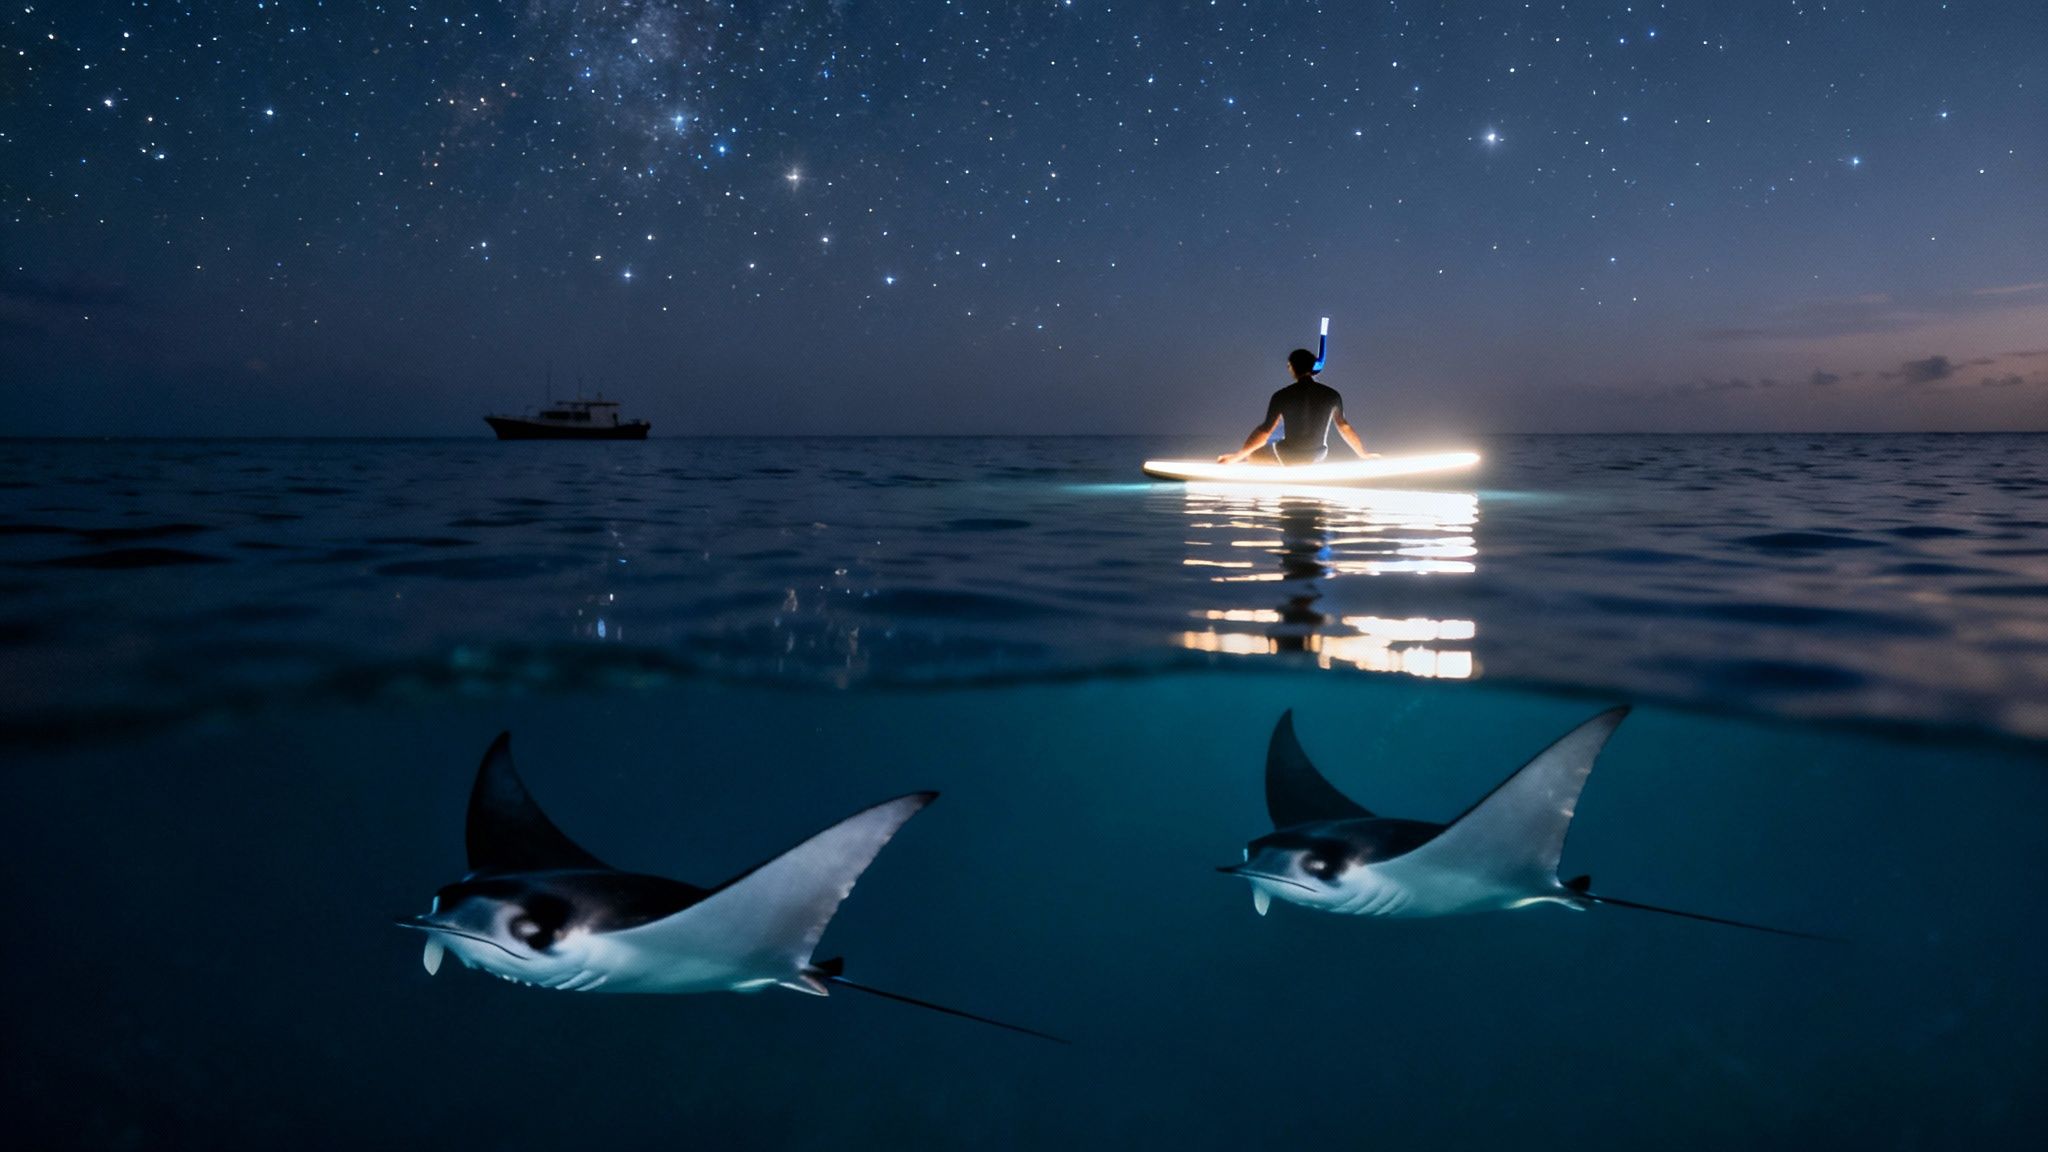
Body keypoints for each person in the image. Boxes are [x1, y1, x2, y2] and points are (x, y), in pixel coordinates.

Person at [1217, 348, 1369, 465]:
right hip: (1318, 454)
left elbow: (1265, 431)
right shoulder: (1332, 395)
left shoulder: (1281, 396)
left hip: (1288, 455)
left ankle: (1282, 469)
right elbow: (1344, 427)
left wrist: (1236, 457)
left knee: (1254, 455)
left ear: (1292, 367)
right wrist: (1363, 454)